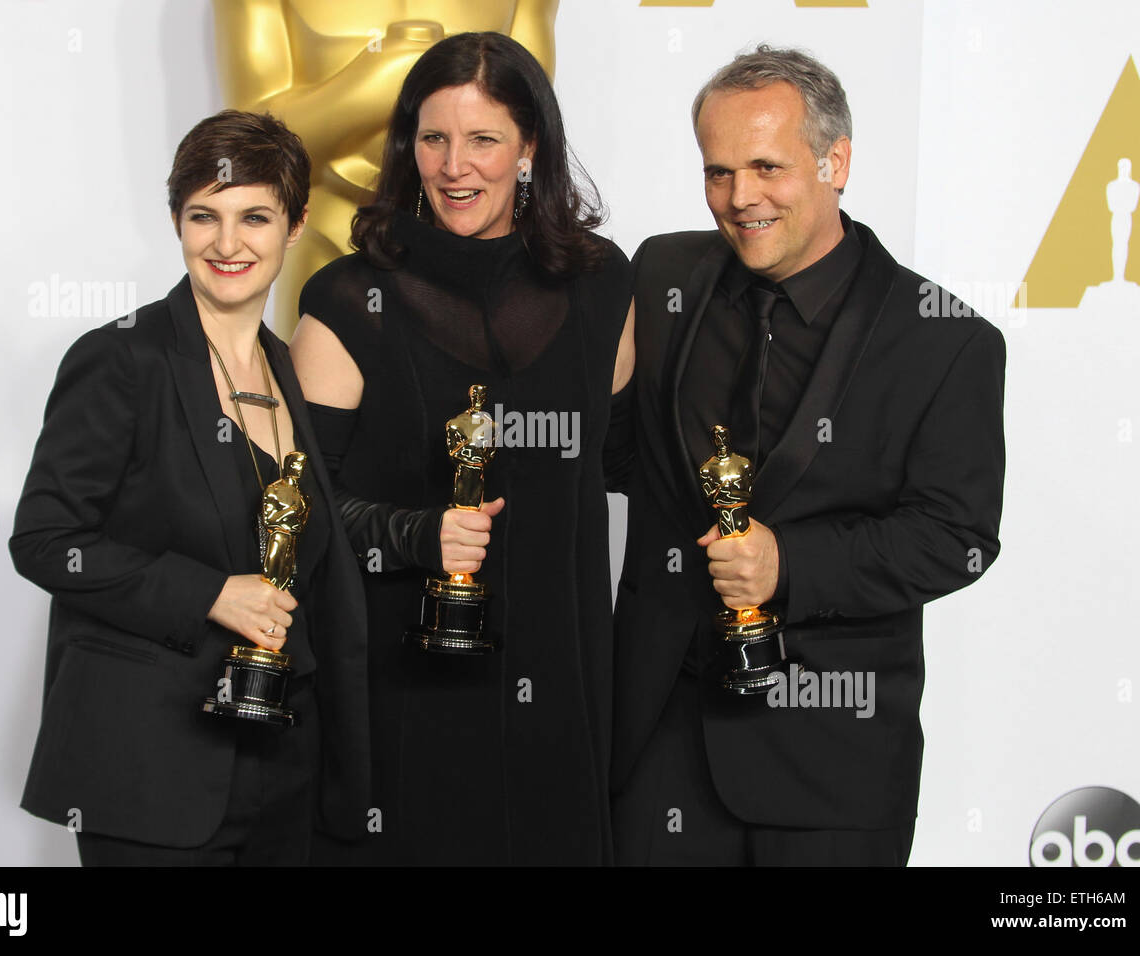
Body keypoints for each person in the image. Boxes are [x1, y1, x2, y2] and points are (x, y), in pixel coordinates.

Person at [610, 46, 1005, 866]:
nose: (739, 197)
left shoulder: (946, 340)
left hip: (834, 767)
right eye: (717, 172)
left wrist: (788, 564)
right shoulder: (661, 274)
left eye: (766, 167)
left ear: (837, 161)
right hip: (658, 746)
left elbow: (955, 535)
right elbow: (619, 455)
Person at [291, 31, 634, 865]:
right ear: (407, 148)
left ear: (530, 149)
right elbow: (293, 513)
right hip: (404, 687)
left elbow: (621, 468)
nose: (455, 167)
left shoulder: (603, 287)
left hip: (562, 686)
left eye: (483, 139)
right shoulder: (348, 297)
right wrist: (415, 534)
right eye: (434, 138)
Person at [10, 110, 370, 866]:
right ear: (177, 220)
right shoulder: (122, 359)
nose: (228, 243)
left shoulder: (286, 369)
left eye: (254, 217)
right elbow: (46, 542)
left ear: (296, 224)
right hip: (149, 769)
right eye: (204, 215)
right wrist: (209, 593)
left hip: (282, 764)